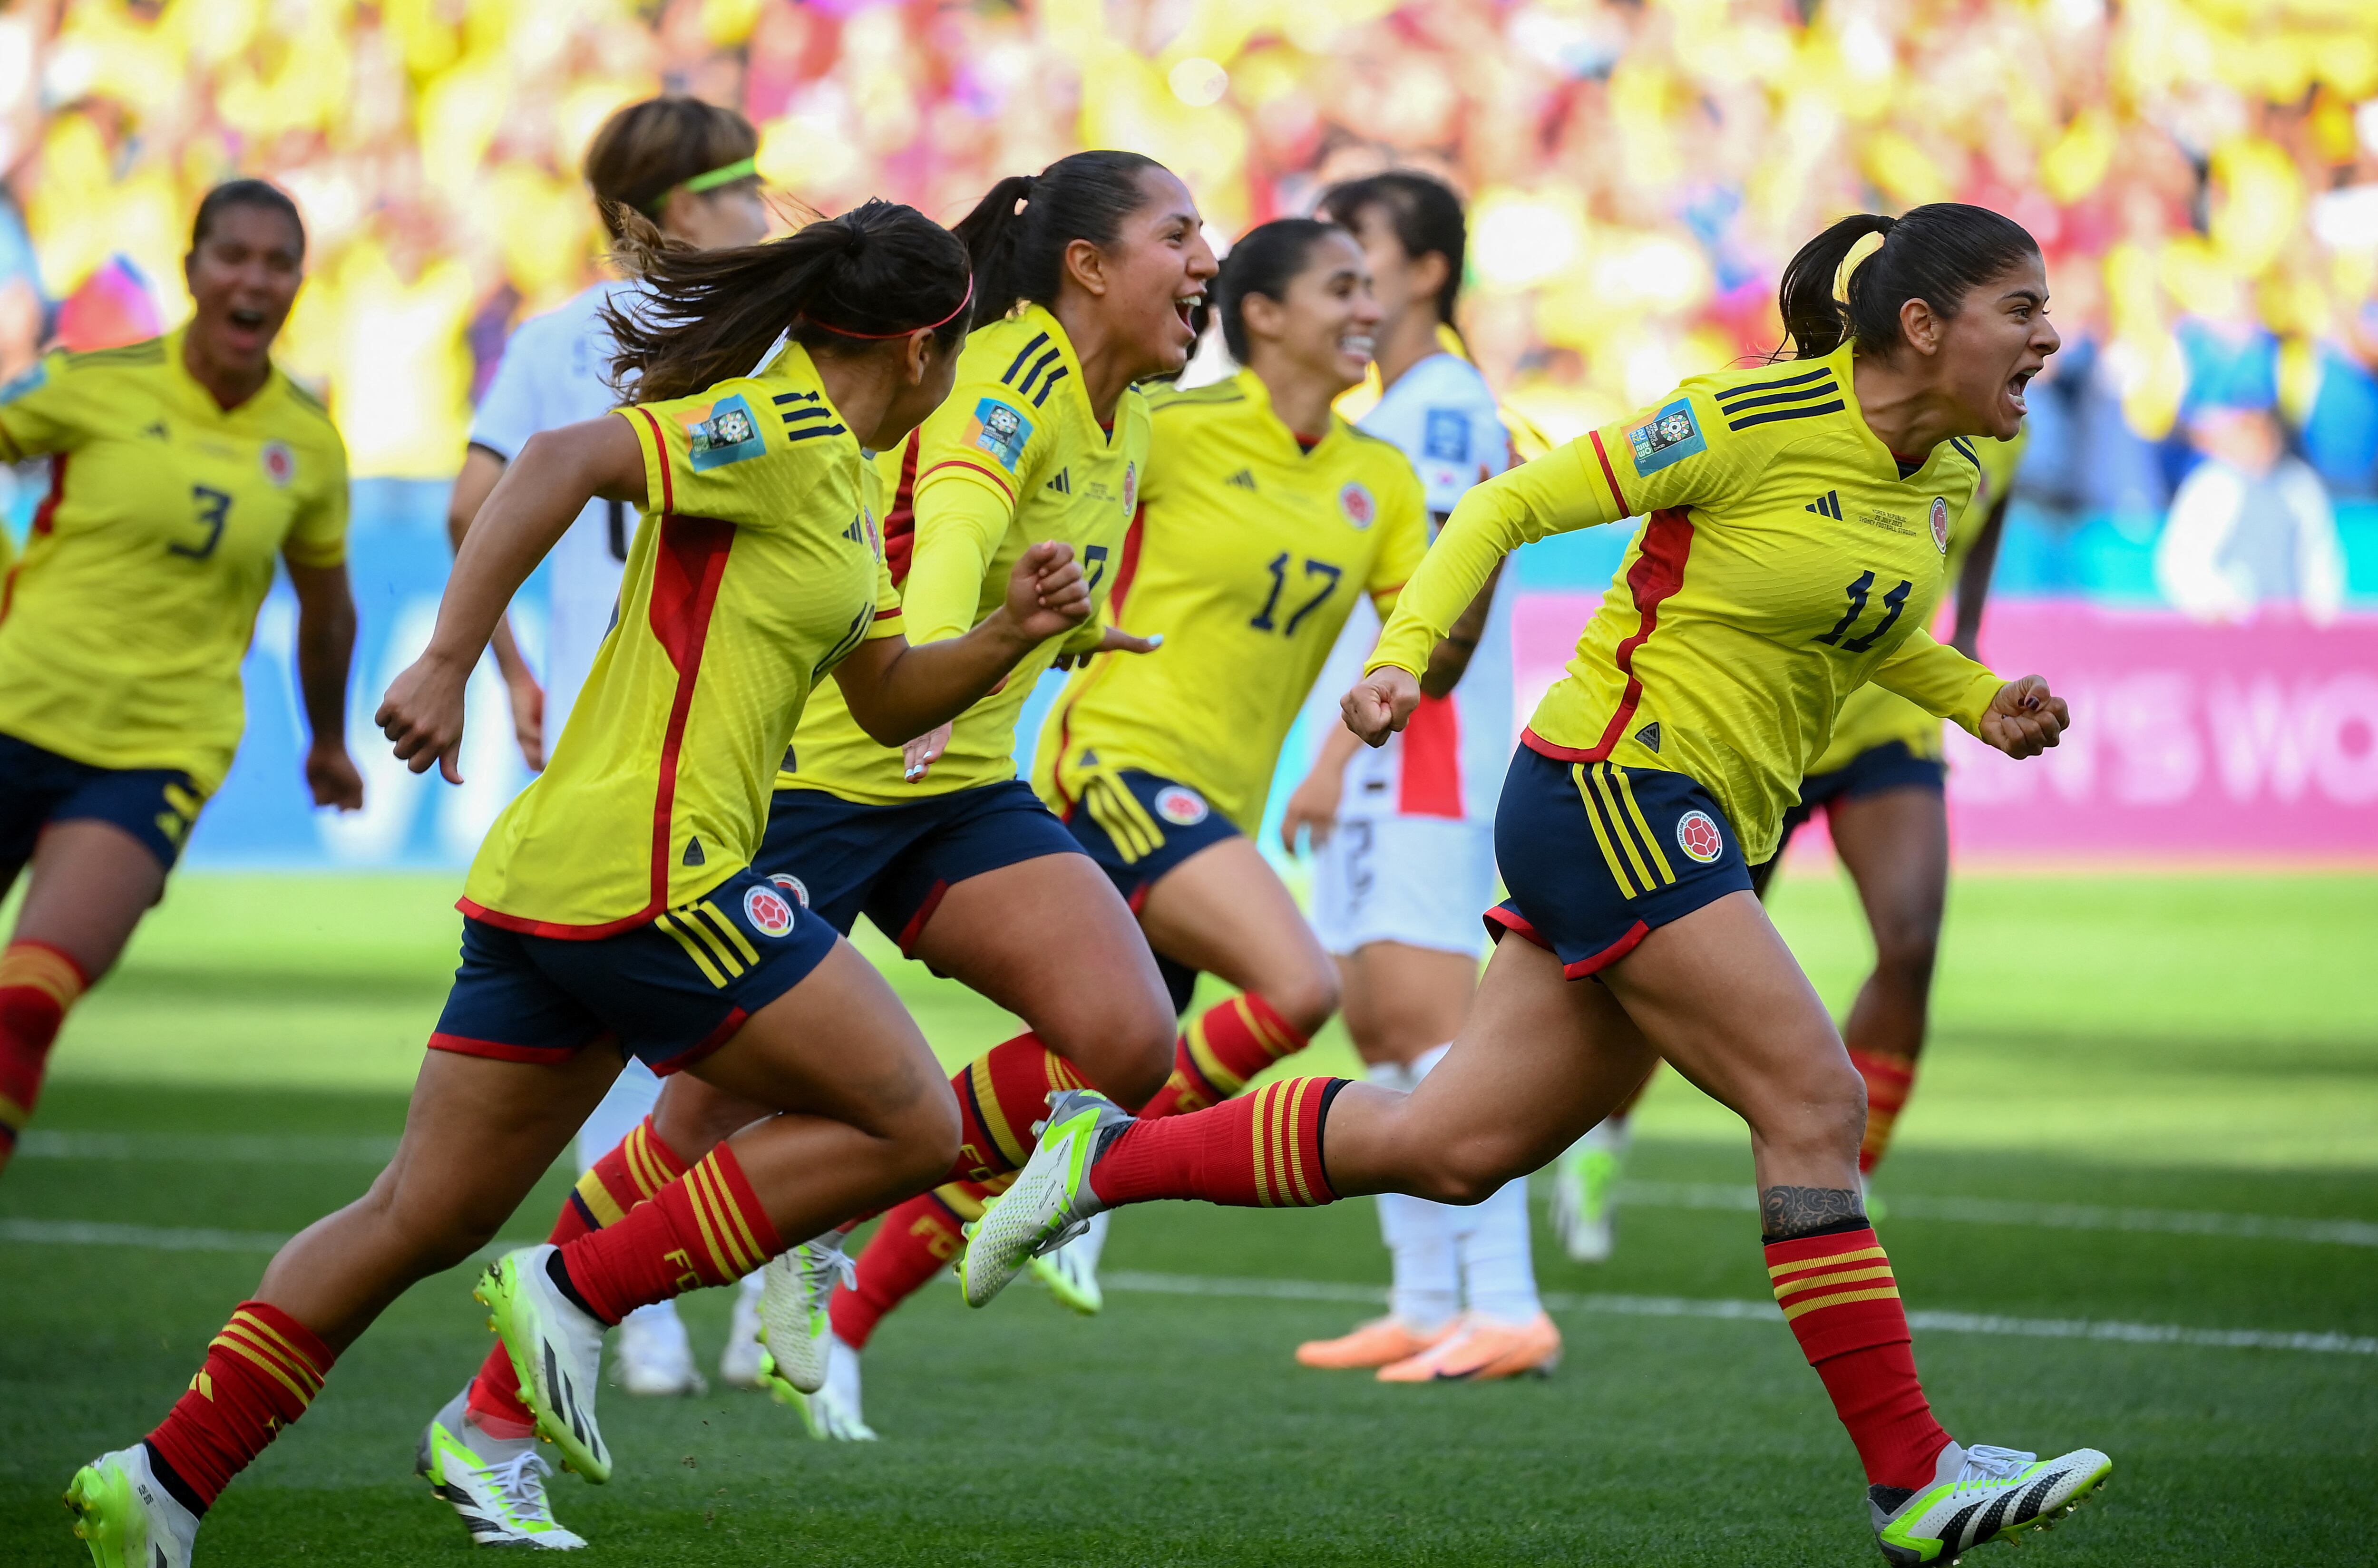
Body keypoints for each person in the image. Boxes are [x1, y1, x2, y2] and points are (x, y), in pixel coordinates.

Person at [961, 205, 2117, 1566]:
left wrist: (1979, 697)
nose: (2051, 338)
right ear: (1924, 327)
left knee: (1454, 1146)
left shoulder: (1959, 457)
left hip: (1712, 821)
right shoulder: (1740, 420)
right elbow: (1511, 502)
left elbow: (1865, 621)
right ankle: (1914, 1476)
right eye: (2023, 310)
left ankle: (1106, 1155)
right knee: (1815, 1099)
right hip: (1613, 788)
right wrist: (1401, 653)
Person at [65, 197, 1093, 1568]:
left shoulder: (843, 476)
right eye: (957, 352)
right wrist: (447, 657)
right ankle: (576, 1285)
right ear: (919, 347)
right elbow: (556, 459)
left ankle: (161, 1482)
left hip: (573, 883)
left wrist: (1013, 634)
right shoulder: (775, 428)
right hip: (654, 876)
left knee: (417, 1214)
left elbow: (889, 690)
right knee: (910, 1124)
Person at [413, 150, 1220, 1501]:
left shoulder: (1125, 406)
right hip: (833, 776)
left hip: (956, 785)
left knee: (1133, 1038)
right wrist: (960, 641)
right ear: (1087, 265)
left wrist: (1050, 636)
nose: (1211, 261)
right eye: (1182, 234)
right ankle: (494, 1420)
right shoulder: (1007, 375)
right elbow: (953, 517)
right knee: (684, 1135)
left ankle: (816, 1213)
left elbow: (978, 551)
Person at [806, 214, 1444, 1436]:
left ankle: (845, 1307)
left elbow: (1420, 637)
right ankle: (1095, 1178)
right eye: (1342, 287)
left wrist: (1419, 651)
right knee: (1297, 986)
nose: (1369, 310)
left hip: (1221, 803)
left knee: (1050, 1104)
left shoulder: (1385, 476)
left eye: (1376, 287)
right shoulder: (1176, 429)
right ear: (1260, 313)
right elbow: (1004, 512)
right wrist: (958, 627)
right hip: (1118, 764)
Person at [452, 95, 776, 1402]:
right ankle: (689, 1304)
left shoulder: (548, 347)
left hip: (676, 734)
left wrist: (515, 670)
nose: (756, 205)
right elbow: (482, 508)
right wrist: (515, 671)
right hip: (676, 738)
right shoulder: (771, 338)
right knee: (733, 1022)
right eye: (728, 185)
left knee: (718, 1030)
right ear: (651, 215)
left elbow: (478, 507)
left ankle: (690, 1309)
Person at [0, 180, 361, 1178]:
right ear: (192, 269)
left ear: (297, 282)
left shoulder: (310, 442)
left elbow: (327, 613)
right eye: (232, 255)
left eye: (276, 262)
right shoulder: (89, 382)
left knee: (27, 1000)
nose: (253, 278)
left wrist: (328, 742)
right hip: (14, 707)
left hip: (154, 749)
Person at [1278, 169, 1559, 1380]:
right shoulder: (1399, 404)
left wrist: (1342, 749)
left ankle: (1503, 1303)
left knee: (1434, 1027)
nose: (1346, 280)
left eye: (1362, 254)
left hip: (1419, 748)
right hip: (1392, 746)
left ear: (1427, 271)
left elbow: (1439, 602)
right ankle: (1425, 1294)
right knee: (1387, 1021)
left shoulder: (1440, 405)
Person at [1735, 428, 2024, 1200]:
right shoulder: (1824, 411)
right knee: (1688, 975)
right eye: (2020, 311)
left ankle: (1848, 1176)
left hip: (1892, 718)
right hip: (1772, 730)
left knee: (1912, 943)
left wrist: (1966, 629)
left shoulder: (2000, 433)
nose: (2039, 344)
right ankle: (1609, 1137)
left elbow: (1988, 514)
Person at [2154, 404, 2343, 625]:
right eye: (2249, 429)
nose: (2258, 439)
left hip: (2289, 627)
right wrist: (2222, 606)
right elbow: (2181, 563)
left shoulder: (2300, 485)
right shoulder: (2210, 485)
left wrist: (2319, 617)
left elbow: (2319, 557)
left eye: (2265, 428)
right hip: (2224, 629)